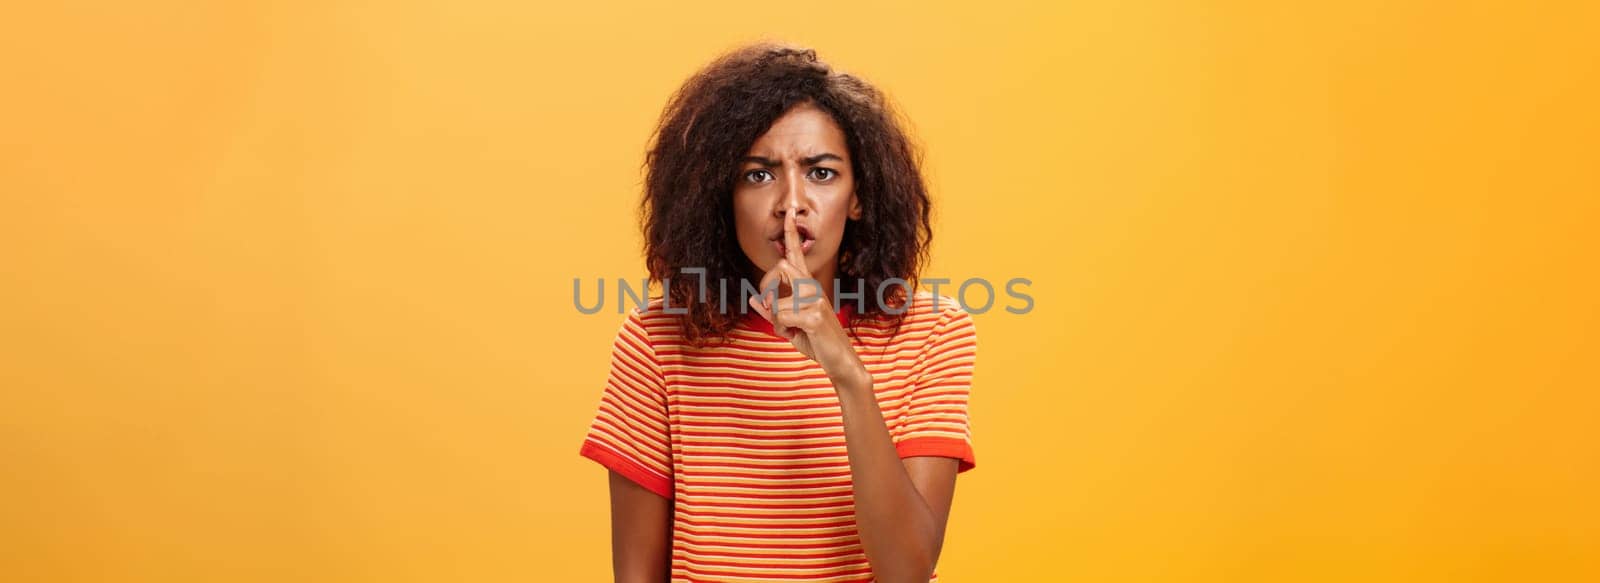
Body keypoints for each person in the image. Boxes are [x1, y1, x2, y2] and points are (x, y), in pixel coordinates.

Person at [579, 42, 978, 582]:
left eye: (821, 172)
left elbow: (906, 572)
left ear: (858, 198)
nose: (791, 202)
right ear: (722, 196)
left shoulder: (932, 332)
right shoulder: (656, 340)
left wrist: (848, 372)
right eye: (759, 175)